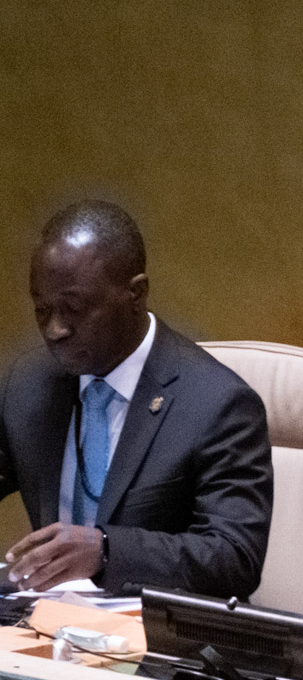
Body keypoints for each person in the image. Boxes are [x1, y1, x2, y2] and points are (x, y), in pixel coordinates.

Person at [0, 201, 273, 598]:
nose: (55, 330)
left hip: (150, 627)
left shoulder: (219, 405)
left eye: (74, 309)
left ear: (136, 293)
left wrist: (106, 551)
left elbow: (235, 558)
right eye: (43, 310)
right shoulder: (29, 383)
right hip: (46, 620)